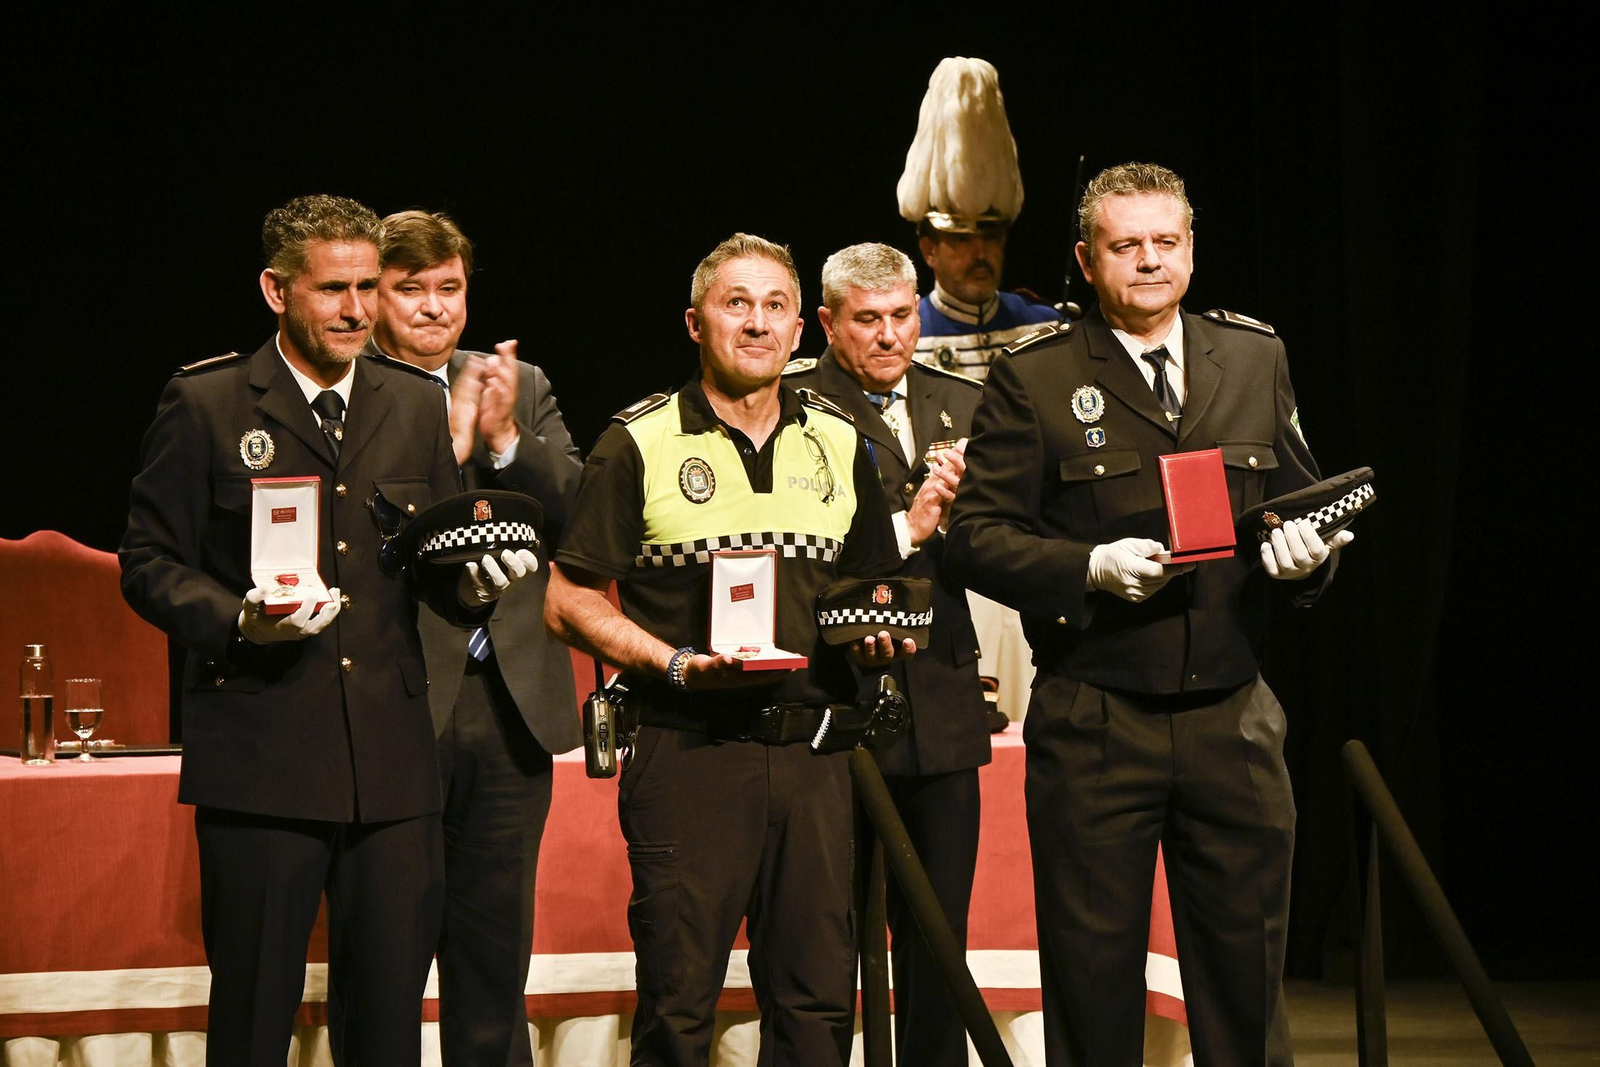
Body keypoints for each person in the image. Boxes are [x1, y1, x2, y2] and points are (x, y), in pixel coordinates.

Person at [945, 162, 1353, 1066]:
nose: (1149, 262)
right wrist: (1085, 566)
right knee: (1093, 992)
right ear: (1088, 261)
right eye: (1126, 246)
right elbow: (975, 536)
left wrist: (1310, 558)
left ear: (1192, 249)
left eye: (1166, 242)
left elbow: (1294, 498)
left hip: (1233, 716)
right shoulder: (1037, 377)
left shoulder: (1251, 355)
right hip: (1098, 718)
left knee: (1245, 985)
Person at [120, 194, 539, 1066]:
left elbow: (430, 569)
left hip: (391, 766)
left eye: (366, 287)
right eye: (332, 290)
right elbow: (149, 563)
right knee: (252, 1020)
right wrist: (237, 618)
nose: (355, 310)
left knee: (387, 1026)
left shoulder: (413, 403)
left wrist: (474, 587)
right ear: (277, 291)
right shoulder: (208, 403)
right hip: (262, 761)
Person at [544, 233, 911, 1067]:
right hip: (687, 753)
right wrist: (672, 663)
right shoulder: (637, 440)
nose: (757, 323)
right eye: (735, 304)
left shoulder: (842, 439)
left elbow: (873, 591)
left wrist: (884, 639)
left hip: (816, 759)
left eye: (775, 305)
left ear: (798, 328)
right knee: (678, 1008)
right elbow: (566, 601)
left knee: (818, 1005)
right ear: (695, 323)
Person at [367, 210, 584, 1066]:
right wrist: (442, 455)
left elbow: (576, 507)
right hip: (401, 701)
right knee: (386, 960)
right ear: (373, 296)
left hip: (509, 707)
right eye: (408, 290)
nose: (431, 308)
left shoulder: (516, 382)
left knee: (493, 963)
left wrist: (501, 439)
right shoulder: (354, 388)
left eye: (447, 289)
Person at [782, 242, 989, 1067]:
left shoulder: (964, 400)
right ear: (829, 323)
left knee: (939, 936)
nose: (890, 335)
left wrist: (974, 514)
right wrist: (914, 522)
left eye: (903, 316)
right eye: (867, 320)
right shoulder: (793, 404)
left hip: (939, 697)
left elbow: (997, 545)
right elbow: (802, 559)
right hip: (834, 698)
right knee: (824, 937)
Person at [896, 56, 1061, 384]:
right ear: (929, 250)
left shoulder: (1046, 325)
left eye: (990, 237)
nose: (980, 253)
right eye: (960, 240)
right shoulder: (904, 336)